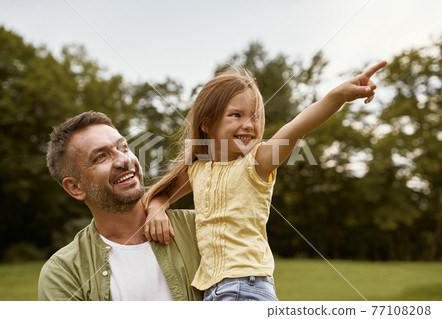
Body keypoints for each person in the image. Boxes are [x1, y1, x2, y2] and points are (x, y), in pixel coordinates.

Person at [142, 61, 387, 301]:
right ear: (206, 124)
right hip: (214, 291)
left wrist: (338, 95)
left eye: (256, 116)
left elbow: (297, 126)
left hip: (245, 286)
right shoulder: (198, 169)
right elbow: (162, 194)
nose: (249, 125)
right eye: (236, 115)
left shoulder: (259, 162)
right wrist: (156, 209)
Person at [38, 111, 202, 301]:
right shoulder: (63, 273)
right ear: (75, 187)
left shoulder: (200, 226)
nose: (124, 160)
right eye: (100, 157)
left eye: (123, 147)